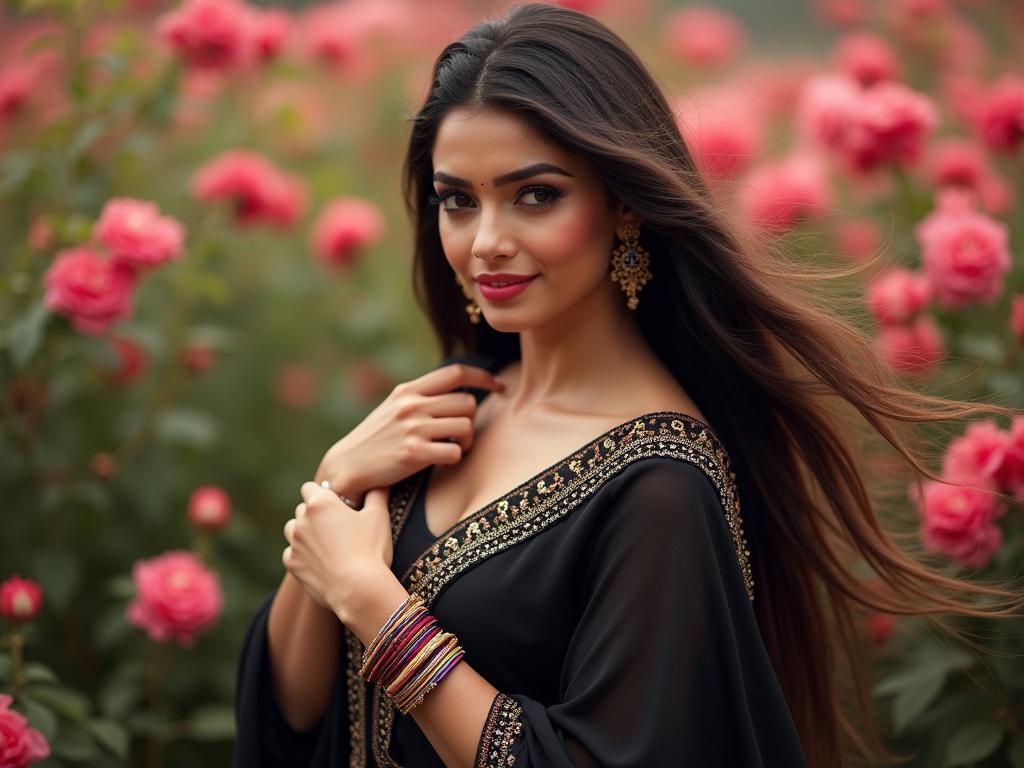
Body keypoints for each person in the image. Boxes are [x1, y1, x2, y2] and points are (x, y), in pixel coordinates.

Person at [234, 5, 1024, 767]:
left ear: (622, 206)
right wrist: (335, 488)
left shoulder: (660, 488)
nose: (488, 243)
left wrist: (379, 608)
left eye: (535, 195)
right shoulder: (444, 414)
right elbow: (292, 720)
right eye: (458, 202)